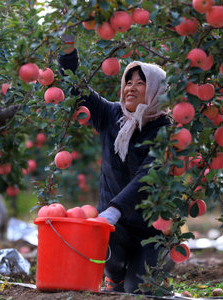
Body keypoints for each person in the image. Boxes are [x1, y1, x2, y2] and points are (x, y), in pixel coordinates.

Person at [58, 38, 171, 294]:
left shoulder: (165, 130)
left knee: (140, 293)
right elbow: (78, 88)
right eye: (128, 81)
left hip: (149, 231)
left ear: (155, 90)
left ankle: (146, 277)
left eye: (141, 83)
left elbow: (149, 174)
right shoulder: (111, 115)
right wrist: (67, 52)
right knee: (112, 262)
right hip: (113, 228)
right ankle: (114, 275)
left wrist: (115, 209)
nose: (131, 88)